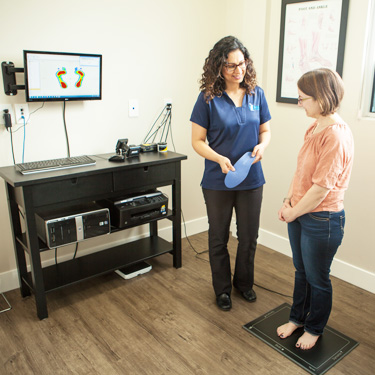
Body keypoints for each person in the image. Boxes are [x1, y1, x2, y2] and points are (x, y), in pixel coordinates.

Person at [190, 36, 271, 311]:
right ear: (218, 67)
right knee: (218, 238)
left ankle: (244, 284)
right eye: (231, 66)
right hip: (217, 179)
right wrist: (219, 158)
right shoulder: (207, 99)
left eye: (242, 64)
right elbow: (197, 141)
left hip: (251, 178)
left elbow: (266, 130)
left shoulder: (256, 94)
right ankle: (222, 290)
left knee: (249, 237)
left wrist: (262, 145)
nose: (239, 70)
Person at [277, 68, 354, 350]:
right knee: (301, 271)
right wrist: (287, 201)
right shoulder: (315, 126)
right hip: (299, 212)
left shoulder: (335, 136)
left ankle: (314, 327)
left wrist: (293, 212)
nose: (300, 104)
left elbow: (321, 189)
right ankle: (297, 318)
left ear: (322, 98)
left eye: (303, 99)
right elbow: (301, 174)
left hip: (322, 219)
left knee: (318, 279)